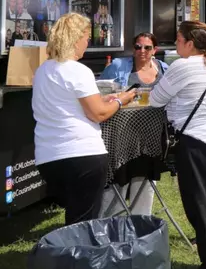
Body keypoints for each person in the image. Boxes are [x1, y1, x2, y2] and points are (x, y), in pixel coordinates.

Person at [34, 13, 137, 226]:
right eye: (86, 36)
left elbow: (68, 104)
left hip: (49, 157)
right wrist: (121, 101)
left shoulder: (42, 70)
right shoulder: (79, 71)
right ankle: (79, 258)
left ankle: (68, 256)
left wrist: (104, 99)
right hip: (82, 156)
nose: (87, 42)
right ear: (74, 38)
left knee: (74, 219)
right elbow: (97, 113)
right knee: (83, 223)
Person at [150, 21, 206, 269]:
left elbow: (156, 99)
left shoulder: (182, 66)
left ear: (189, 43)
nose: (175, 44)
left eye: (178, 39)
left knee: (201, 207)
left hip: (198, 143)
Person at [99, 32, 168, 216]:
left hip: (152, 135)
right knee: (119, 177)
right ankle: (111, 221)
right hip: (121, 134)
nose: (142, 51)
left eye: (147, 47)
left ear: (155, 50)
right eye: (138, 47)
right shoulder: (118, 66)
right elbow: (100, 90)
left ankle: (141, 221)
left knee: (145, 178)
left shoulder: (164, 69)